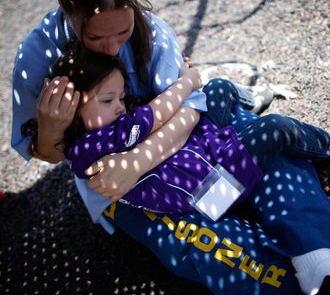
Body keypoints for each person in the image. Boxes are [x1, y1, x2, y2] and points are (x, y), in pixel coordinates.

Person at [11, 0, 330, 295]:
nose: (112, 48)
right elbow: (155, 115)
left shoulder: (150, 39)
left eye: (124, 31)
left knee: (222, 95)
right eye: (95, 36)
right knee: (226, 239)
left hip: (190, 155)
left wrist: (137, 162)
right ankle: (303, 270)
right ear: (67, 9)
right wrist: (51, 128)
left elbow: (186, 113)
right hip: (204, 193)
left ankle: (314, 247)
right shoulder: (46, 67)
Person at [43, 44, 329, 218]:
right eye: (108, 100)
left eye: (121, 97)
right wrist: (188, 81)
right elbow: (154, 116)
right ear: (72, 109)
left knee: (217, 88)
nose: (120, 107)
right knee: (274, 128)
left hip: (206, 152)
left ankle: (251, 101)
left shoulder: (104, 129)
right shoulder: (87, 149)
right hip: (213, 196)